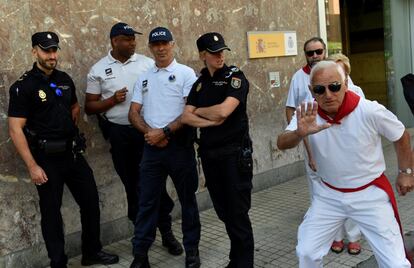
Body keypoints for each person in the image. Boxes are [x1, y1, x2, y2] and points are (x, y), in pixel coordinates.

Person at [277, 60, 414, 267]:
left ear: (346, 83)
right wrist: (299, 132)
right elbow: (281, 142)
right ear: (310, 90)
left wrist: (406, 171)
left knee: (395, 263)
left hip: (369, 194)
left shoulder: (369, 110)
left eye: (334, 86)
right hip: (328, 195)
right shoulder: (307, 114)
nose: (328, 94)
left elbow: (401, 135)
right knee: (306, 252)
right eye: (319, 89)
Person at [7, 31, 119, 268]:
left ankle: (91, 252)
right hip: (46, 160)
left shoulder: (65, 79)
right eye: (46, 50)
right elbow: (16, 129)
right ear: (34, 51)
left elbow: (75, 108)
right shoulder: (23, 86)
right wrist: (32, 165)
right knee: (51, 213)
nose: (52, 55)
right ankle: (58, 262)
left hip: (72, 155)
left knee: (90, 201)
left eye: (54, 49)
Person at [84, 22, 182, 255]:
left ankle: (167, 233)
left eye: (133, 39)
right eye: (127, 39)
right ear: (114, 41)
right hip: (120, 135)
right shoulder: (98, 69)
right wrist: (111, 101)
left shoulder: (147, 64)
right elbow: (89, 106)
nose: (132, 42)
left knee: (155, 183)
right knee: (133, 186)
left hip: (147, 132)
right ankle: (141, 239)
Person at [128, 26, 201, 268]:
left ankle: (192, 251)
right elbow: (133, 112)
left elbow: (189, 113)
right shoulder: (145, 77)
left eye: (164, 44)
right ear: (150, 48)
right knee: (147, 202)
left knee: (187, 200)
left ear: (172, 44)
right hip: (152, 148)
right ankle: (140, 255)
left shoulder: (186, 74)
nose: (160, 48)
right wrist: (151, 133)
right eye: (155, 45)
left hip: (179, 146)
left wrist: (165, 132)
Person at [181, 32, 254, 268]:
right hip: (211, 157)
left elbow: (224, 111)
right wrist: (209, 118)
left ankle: (243, 264)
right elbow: (185, 116)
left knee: (237, 214)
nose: (220, 56)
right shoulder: (200, 83)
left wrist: (200, 112)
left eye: (222, 51)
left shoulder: (235, 78)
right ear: (203, 55)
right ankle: (236, 262)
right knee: (224, 212)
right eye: (214, 53)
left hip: (234, 156)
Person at [326, 52, 364, 254]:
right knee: (333, 199)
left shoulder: (357, 91)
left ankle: (354, 237)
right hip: (330, 155)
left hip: (352, 153)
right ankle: (337, 237)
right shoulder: (323, 92)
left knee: (352, 199)